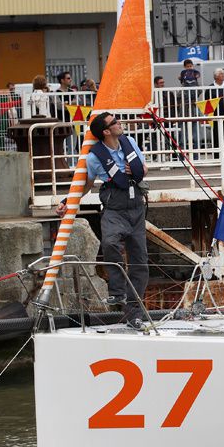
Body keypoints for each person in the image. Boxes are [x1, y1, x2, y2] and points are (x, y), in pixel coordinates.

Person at [55, 112, 149, 322]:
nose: (120, 123)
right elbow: (87, 184)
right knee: (109, 243)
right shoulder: (94, 157)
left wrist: (135, 170)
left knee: (140, 262)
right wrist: (67, 201)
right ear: (106, 132)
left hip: (136, 207)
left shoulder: (130, 142)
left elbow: (144, 168)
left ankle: (134, 312)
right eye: (115, 122)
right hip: (114, 209)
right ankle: (117, 291)